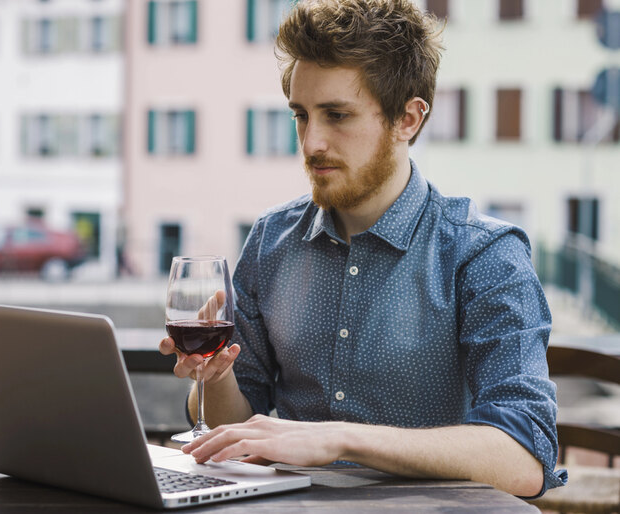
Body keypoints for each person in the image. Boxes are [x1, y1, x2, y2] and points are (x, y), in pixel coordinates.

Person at [159, 0, 566, 498]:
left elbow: (525, 459)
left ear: (408, 119)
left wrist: (340, 438)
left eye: (336, 116)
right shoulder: (270, 240)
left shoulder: (484, 255)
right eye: (302, 116)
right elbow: (239, 425)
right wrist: (214, 379)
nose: (311, 143)